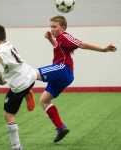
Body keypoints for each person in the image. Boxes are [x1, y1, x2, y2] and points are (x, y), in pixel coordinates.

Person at [36, 15, 116, 143]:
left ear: (63, 27)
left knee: (32, 74)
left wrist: (103, 49)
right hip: (64, 74)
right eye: (51, 27)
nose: (52, 29)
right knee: (44, 100)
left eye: (54, 27)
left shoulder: (65, 36)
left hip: (62, 69)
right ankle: (61, 128)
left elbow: (81, 44)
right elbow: (60, 48)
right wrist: (50, 39)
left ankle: (24, 92)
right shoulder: (59, 39)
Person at [0, 24, 36, 150]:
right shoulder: (7, 44)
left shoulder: (1, 51)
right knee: (3, 80)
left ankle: (16, 147)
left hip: (19, 85)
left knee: (8, 114)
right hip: (30, 77)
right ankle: (27, 93)